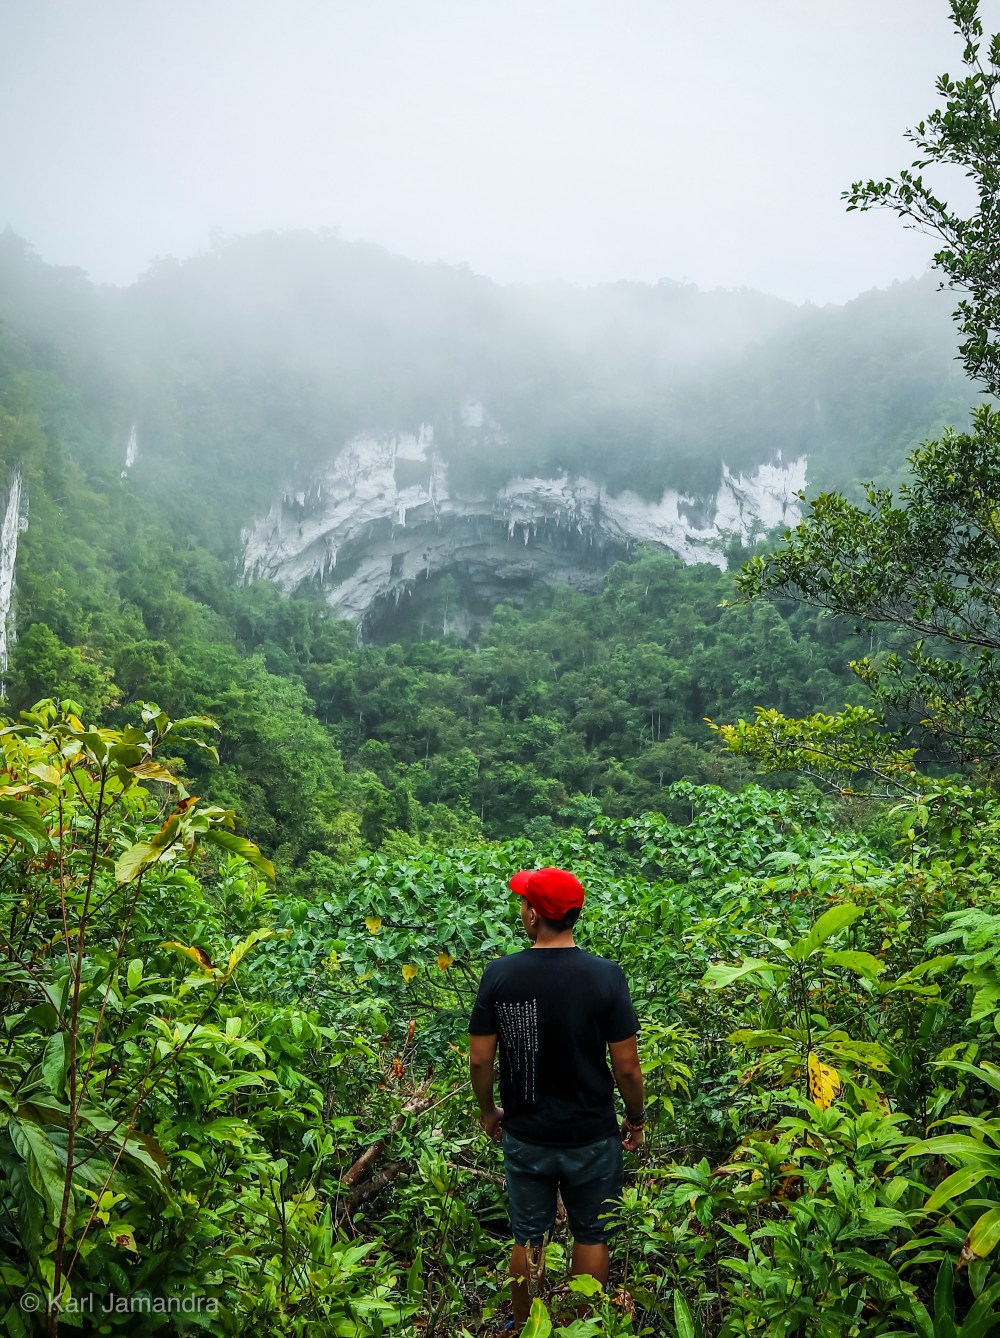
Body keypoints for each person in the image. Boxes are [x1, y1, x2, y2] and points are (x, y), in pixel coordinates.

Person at [468, 866, 645, 1333]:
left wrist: (488, 1111)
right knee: (592, 1234)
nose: (521, 909)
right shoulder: (606, 976)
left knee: (528, 1235)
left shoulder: (500, 974)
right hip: (592, 1135)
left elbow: (480, 1060)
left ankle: (526, 1327)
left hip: (527, 1133)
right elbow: (627, 1066)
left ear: (533, 915)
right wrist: (636, 1118)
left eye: (523, 903)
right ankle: (582, 1327)